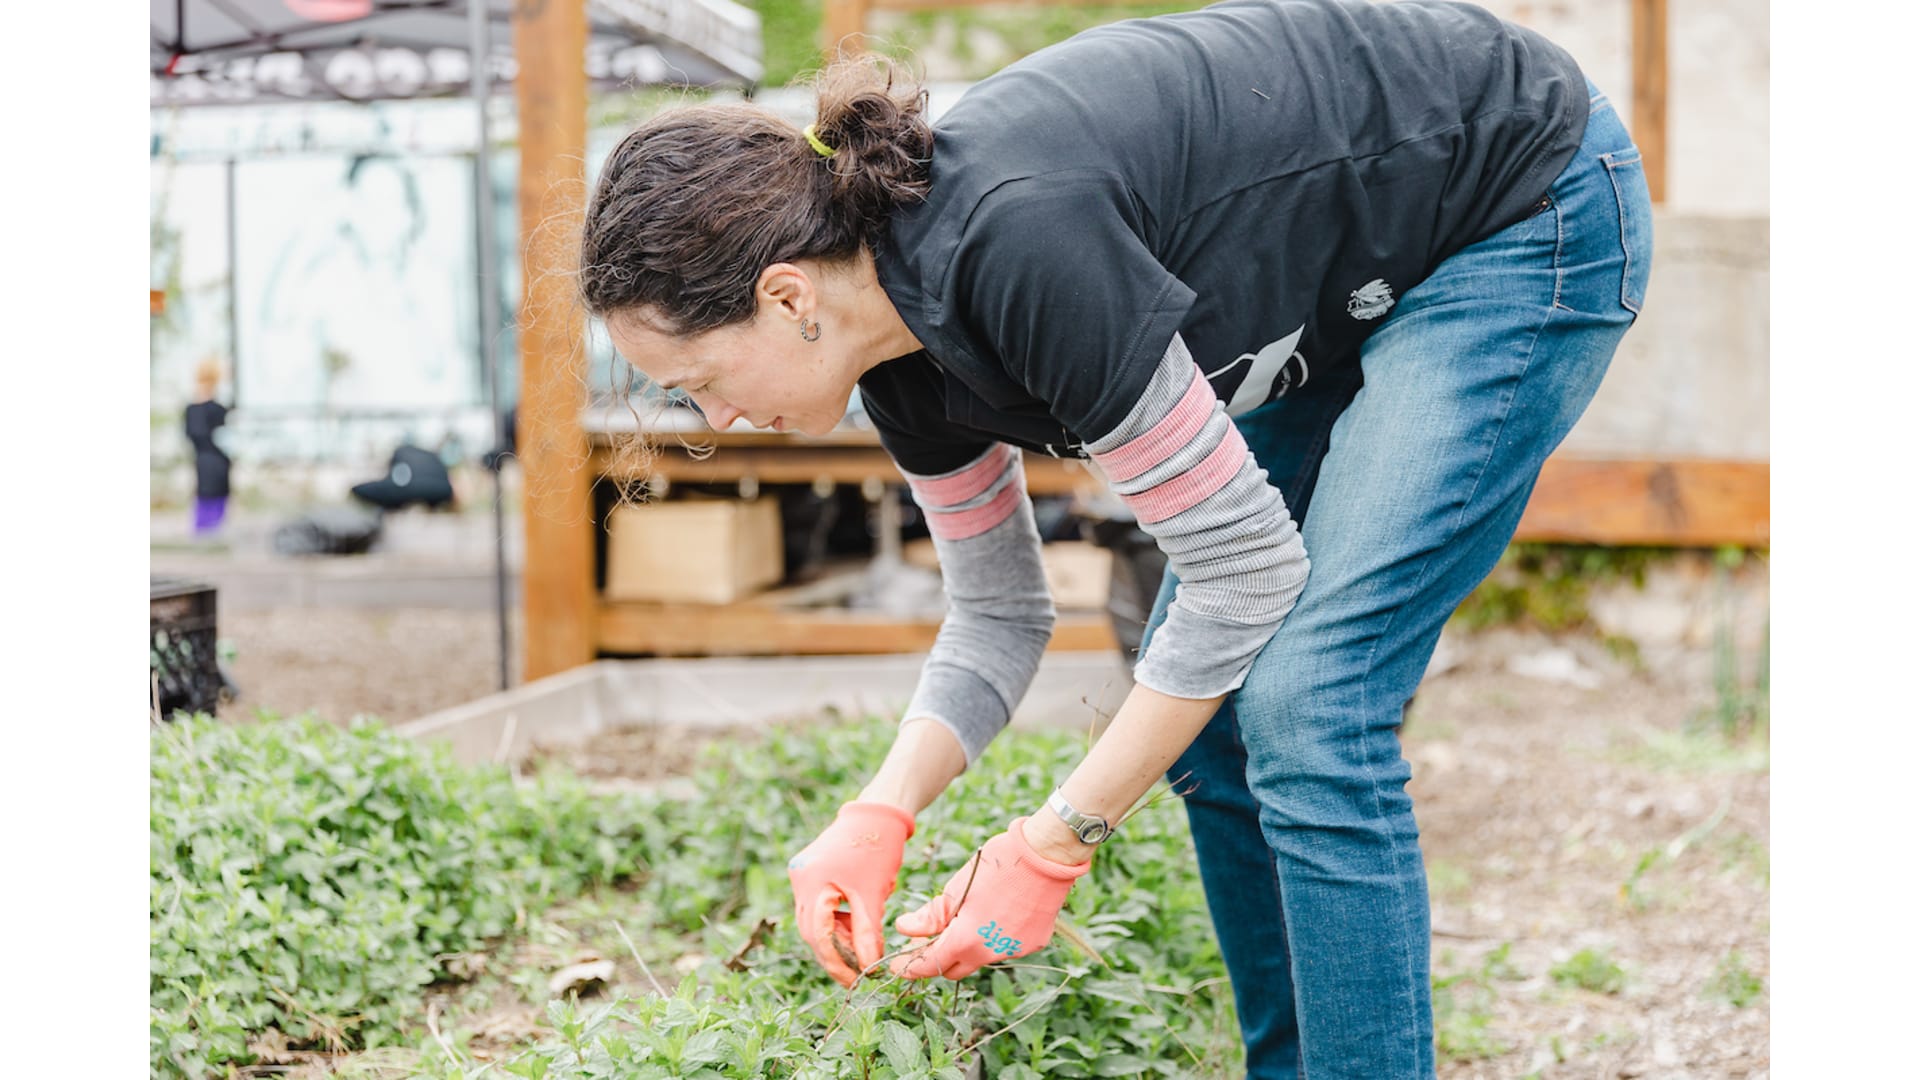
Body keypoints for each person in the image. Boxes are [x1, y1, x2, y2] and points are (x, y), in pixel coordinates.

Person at [577, 1, 1652, 1075]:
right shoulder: (895, 359)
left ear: (786, 294)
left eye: (703, 383)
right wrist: (882, 810)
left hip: (1513, 198)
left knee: (1308, 703)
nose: (714, 423)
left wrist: (1051, 846)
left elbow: (1245, 571)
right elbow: (1001, 612)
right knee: (1215, 710)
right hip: (1358, 259)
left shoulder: (1017, 245)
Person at [183, 356, 233, 536]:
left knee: (204, 495)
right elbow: (226, 437)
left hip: (201, 458)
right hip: (216, 459)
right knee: (214, 496)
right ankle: (211, 530)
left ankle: (205, 531)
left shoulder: (190, 409)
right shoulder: (217, 409)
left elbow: (189, 435)